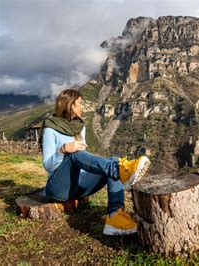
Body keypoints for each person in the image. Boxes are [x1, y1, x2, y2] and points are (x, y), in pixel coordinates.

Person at [41, 89, 151, 235]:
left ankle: (115, 216)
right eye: (79, 103)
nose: (82, 107)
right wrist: (63, 150)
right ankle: (120, 170)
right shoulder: (50, 129)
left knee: (114, 160)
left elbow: (83, 159)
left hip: (79, 186)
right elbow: (48, 166)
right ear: (70, 105)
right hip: (58, 188)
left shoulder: (80, 127)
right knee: (74, 155)